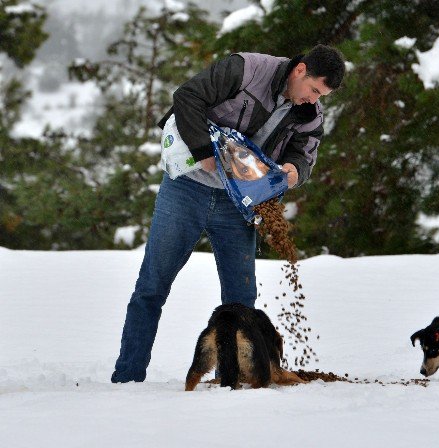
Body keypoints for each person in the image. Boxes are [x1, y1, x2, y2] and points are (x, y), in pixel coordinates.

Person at [111, 44, 346, 383]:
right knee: (152, 285)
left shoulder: (310, 114)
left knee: (241, 300)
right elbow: (187, 97)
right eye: (313, 90)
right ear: (300, 70)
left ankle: (230, 380)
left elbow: (304, 155)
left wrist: (295, 171)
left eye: (321, 95)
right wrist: (204, 152)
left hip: (239, 205)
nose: (314, 99)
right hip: (186, 188)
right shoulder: (245, 69)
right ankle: (127, 378)